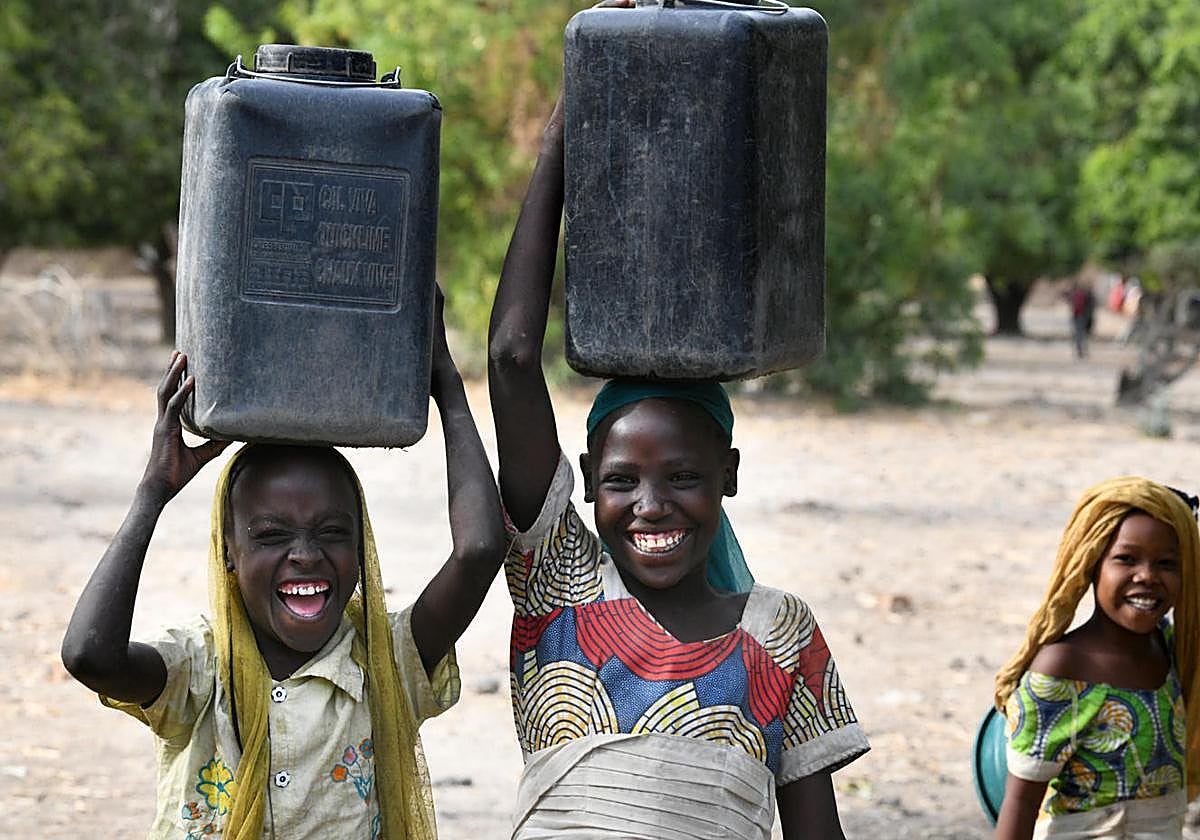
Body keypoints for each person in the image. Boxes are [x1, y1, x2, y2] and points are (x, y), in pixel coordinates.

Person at [486, 19, 869, 839]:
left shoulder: (781, 632)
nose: (651, 504)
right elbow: (513, 358)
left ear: (729, 473)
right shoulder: (561, 589)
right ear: (585, 481)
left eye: (684, 477)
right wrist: (562, 141)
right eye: (620, 480)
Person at [61, 293, 505, 840]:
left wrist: (447, 388)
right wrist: (153, 492)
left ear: (362, 544)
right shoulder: (202, 669)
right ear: (228, 552)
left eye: (332, 532)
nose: (306, 554)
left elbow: (480, 549)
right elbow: (89, 656)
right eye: (272, 535)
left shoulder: (386, 661)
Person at [992, 478, 1200, 839]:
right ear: (1090, 564)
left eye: (1167, 563)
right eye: (1126, 559)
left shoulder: (1170, 648)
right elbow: (1021, 804)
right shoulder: (1063, 669)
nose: (1147, 576)